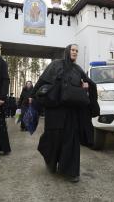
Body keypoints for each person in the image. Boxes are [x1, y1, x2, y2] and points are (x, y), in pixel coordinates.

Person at [31, 44, 99, 182]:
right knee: (53, 137)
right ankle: (51, 162)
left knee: (71, 139)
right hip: (55, 109)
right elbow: (42, 81)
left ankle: (71, 171)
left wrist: (86, 86)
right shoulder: (55, 65)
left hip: (71, 110)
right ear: (67, 51)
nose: (75, 52)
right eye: (73, 50)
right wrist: (32, 96)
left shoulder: (78, 69)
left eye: (77, 51)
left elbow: (90, 84)